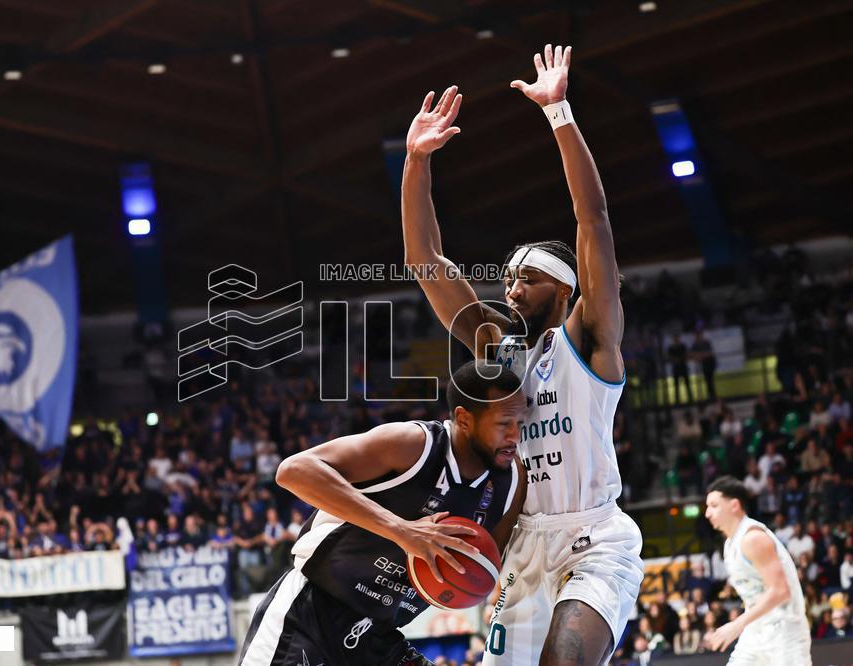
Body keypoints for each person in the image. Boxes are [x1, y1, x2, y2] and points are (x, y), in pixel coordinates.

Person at [400, 44, 642, 665]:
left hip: (594, 537)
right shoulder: (497, 351)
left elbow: (595, 222)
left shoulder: (589, 338)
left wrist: (559, 113)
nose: (511, 289)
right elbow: (425, 262)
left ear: (564, 289)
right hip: (523, 543)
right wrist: (415, 162)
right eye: (507, 278)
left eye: (527, 278)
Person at [237, 362, 526, 666]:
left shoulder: (512, 483)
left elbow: (491, 567)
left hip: (379, 637)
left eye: (521, 422)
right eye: (503, 423)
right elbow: (293, 471)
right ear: (464, 419)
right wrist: (403, 532)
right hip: (311, 615)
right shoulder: (414, 445)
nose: (515, 435)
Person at [703, 476, 811, 665]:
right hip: (755, 631)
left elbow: (780, 591)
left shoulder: (753, 538)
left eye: (714, 505)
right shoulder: (730, 543)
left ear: (734, 506)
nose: (707, 513)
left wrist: (737, 624)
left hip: (784, 632)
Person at [691, 331, 717, 401]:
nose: (698, 337)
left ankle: (712, 395)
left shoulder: (706, 343)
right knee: (707, 380)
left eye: (699, 335)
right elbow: (692, 354)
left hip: (709, 363)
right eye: (696, 336)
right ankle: (709, 395)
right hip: (702, 364)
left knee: (710, 380)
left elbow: (710, 353)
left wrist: (701, 355)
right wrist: (700, 355)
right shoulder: (695, 344)